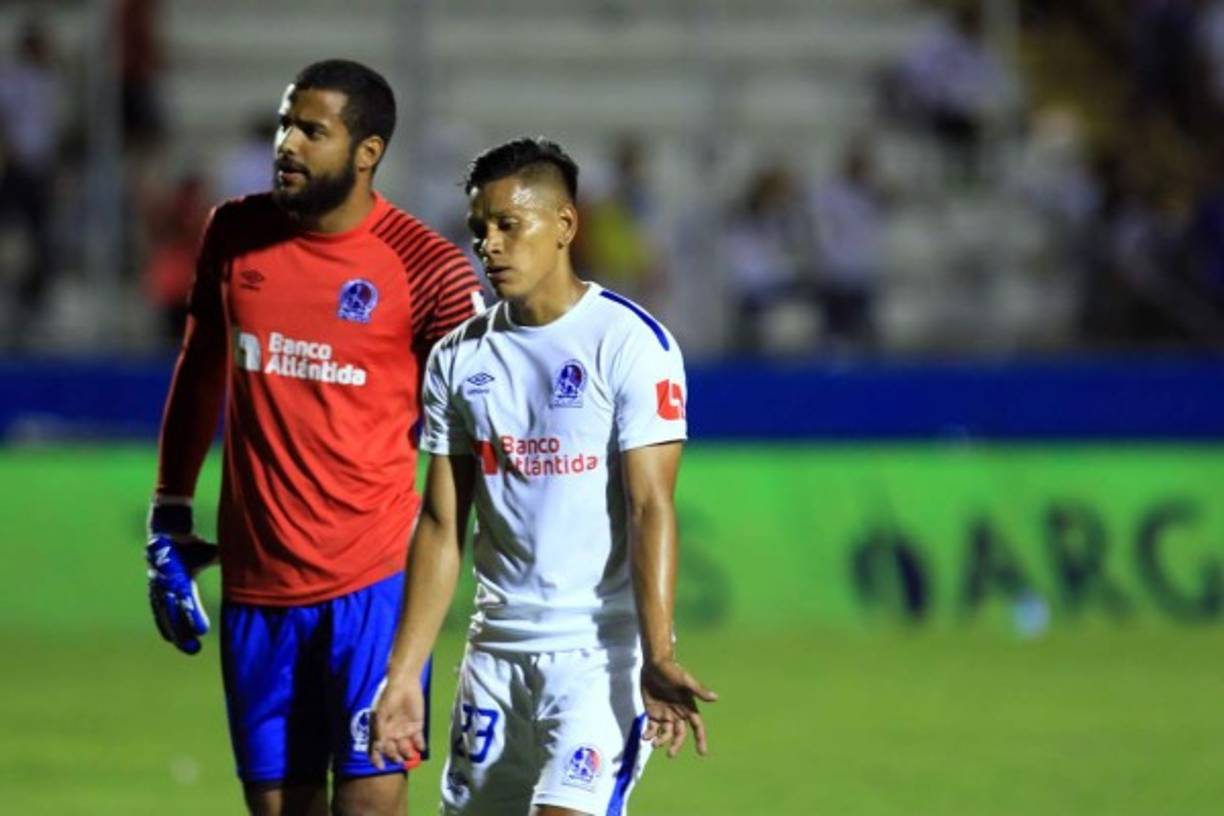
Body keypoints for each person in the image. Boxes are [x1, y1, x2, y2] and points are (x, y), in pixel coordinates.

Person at [144, 59, 482, 816]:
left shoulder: (425, 267)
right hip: (257, 589)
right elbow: (199, 370)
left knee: (369, 805)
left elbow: (475, 425)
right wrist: (169, 515)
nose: (286, 145)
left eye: (311, 131)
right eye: (283, 125)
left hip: (371, 589)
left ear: (367, 152)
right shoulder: (234, 232)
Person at [367, 137, 717, 815]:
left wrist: (658, 652)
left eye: (509, 225)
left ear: (564, 225)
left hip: (597, 656)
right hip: (493, 657)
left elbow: (651, 507)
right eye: (479, 229)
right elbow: (441, 523)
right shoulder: (457, 358)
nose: (489, 246)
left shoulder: (629, 343)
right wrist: (403, 674)